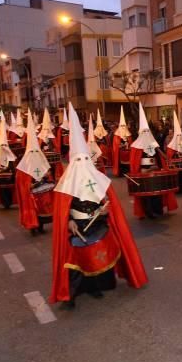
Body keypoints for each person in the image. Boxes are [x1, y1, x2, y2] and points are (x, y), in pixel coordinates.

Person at [50, 103, 147, 310]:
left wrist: (105, 210)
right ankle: (70, 295)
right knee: (75, 261)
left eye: (87, 158)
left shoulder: (99, 177)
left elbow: (105, 200)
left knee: (98, 255)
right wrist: (68, 222)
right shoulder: (65, 184)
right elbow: (61, 210)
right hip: (77, 227)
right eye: (80, 159)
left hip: (97, 222)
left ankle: (96, 286)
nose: (85, 162)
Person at [129, 103, 177, 219]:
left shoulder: (153, 144)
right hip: (143, 173)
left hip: (155, 171)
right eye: (144, 132)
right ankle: (147, 212)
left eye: (147, 132)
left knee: (157, 192)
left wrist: (160, 165)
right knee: (146, 195)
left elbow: (161, 157)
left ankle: (158, 209)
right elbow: (135, 164)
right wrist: (141, 170)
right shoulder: (136, 147)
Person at [16, 110, 55, 236]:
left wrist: (46, 176)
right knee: (33, 209)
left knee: (43, 209)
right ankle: (33, 226)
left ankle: (41, 225)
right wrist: (30, 185)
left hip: (41, 189)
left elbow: (47, 171)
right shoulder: (23, 165)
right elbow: (22, 180)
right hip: (32, 191)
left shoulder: (40, 157)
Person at [111, 107, 131, 177]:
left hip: (128, 152)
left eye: (124, 126)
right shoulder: (116, 135)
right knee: (121, 164)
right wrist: (120, 146)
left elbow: (131, 142)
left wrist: (128, 144)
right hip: (120, 153)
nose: (123, 127)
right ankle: (121, 173)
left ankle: (128, 173)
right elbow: (116, 145)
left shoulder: (129, 134)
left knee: (127, 164)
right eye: (121, 126)